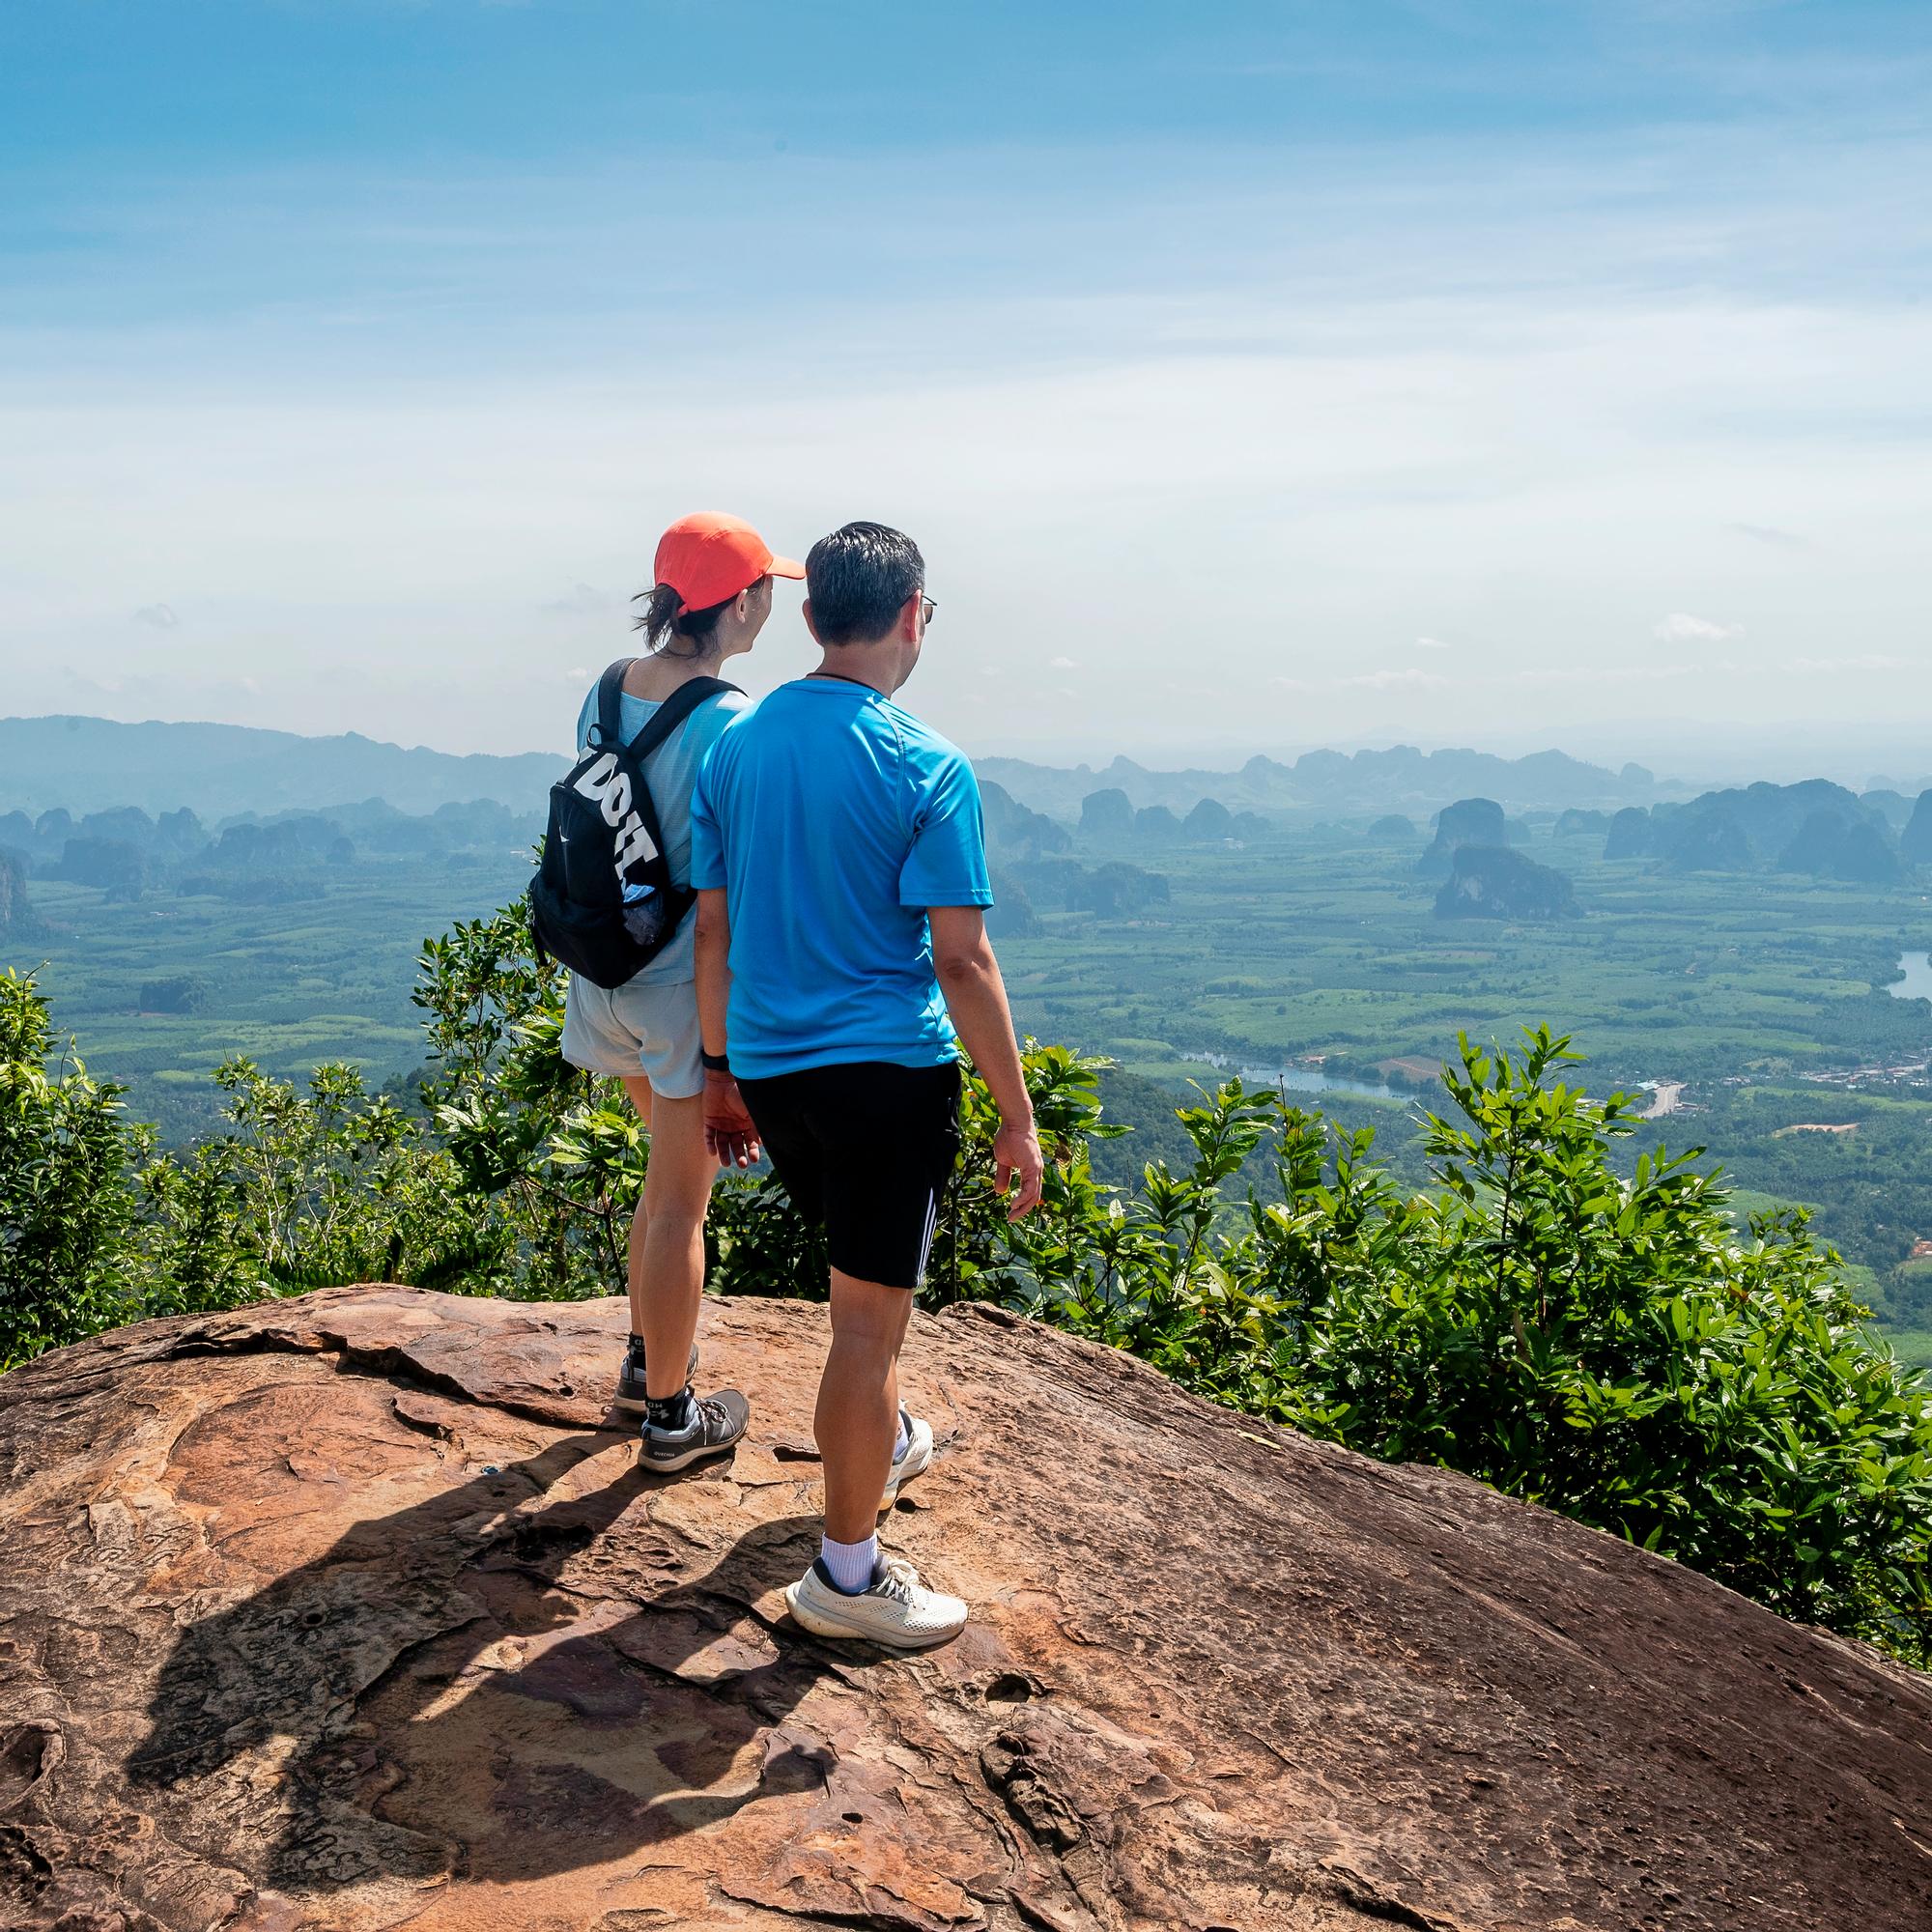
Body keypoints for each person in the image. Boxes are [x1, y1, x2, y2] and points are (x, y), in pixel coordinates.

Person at [690, 520, 1044, 1648]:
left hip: (773, 1070)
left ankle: (876, 1440)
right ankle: (844, 1575)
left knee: (857, 1306)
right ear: (909, 616)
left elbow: (715, 926)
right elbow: (959, 957)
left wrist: (719, 1075)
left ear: (807, 617)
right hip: (886, 1073)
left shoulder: (733, 748)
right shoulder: (926, 761)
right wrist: (1016, 1114)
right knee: (864, 1329)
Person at [557, 510, 804, 1470]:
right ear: (740, 601)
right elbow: (719, 910)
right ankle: (668, 1415)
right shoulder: (733, 720)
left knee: (663, 1192)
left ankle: (643, 1357)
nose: (773, 603)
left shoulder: (605, 686)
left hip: (604, 969)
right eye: (767, 589)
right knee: (679, 1207)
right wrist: (722, 1056)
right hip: (678, 992)